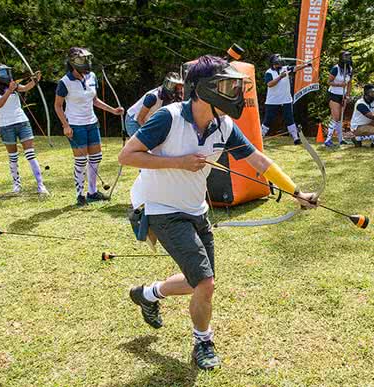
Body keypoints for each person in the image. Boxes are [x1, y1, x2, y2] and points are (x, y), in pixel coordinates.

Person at [118, 55, 317, 370]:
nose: (233, 94)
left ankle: (148, 293)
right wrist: (179, 162)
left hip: (197, 210)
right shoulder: (167, 118)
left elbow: (260, 162)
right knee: (205, 282)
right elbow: (127, 156)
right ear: (201, 90)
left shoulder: (224, 126)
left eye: (234, 86)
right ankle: (203, 341)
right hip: (160, 209)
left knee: (200, 280)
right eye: (225, 86)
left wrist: (296, 192)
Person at [54, 47, 124, 206]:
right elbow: (58, 106)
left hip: (92, 123)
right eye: (81, 60)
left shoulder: (92, 76)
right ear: (73, 62)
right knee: (80, 161)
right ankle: (80, 195)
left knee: (96, 158)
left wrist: (113, 110)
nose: (86, 63)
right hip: (75, 125)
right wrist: (65, 125)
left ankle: (92, 192)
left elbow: (94, 100)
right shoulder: (65, 82)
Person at [0, 64, 48, 194]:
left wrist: (35, 80)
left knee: (30, 154)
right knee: (13, 157)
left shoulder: (12, 84)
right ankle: (17, 185)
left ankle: (41, 185)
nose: (7, 74)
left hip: (22, 122)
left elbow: (25, 88)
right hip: (6, 126)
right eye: (3, 72)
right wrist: (10, 90)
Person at [260, 54, 311, 145]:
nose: (280, 62)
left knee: (290, 119)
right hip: (272, 101)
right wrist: (280, 77)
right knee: (268, 120)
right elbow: (269, 84)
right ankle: (260, 138)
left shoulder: (285, 69)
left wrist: (306, 65)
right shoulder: (269, 72)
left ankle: (295, 138)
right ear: (274, 62)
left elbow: (295, 68)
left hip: (286, 100)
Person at [124, 72, 184, 137]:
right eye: (174, 86)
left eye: (179, 87)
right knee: (140, 144)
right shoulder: (152, 97)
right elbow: (140, 119)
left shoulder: (171, 98)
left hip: (146, 119)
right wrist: (149, 132)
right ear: (167, 84)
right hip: (134, 120)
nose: (177, 90)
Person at [324, 51, 353, 147]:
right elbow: (328, 82)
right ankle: (328, 140)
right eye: (345, 57)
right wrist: (339, 85)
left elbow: (349, 83)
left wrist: (348, 95)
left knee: (341, 118)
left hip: (343, 95)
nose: (347, 59)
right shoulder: (335, 68)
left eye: (348, 57)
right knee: (335, 117)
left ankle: (341, 139)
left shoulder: (350, 69)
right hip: (334, 95)